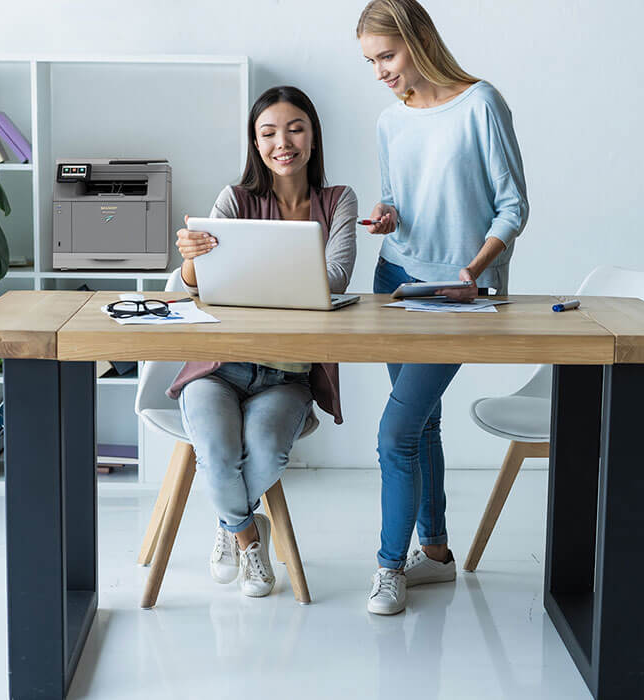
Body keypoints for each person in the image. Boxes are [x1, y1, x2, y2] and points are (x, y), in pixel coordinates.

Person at [357, 0, 529, 614]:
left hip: (461, 296)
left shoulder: (481, 102)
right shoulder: (390, 119)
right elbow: (399, 198)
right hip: (396, 282)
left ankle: (387, 567)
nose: (379, 71)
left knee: (396, 432)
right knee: (421, 421)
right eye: (370, 62)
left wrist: (474, 273)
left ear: (418, 40)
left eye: (386, 56)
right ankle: (434, 554)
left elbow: (513, 208)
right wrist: (387, 216)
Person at [166, 86, 357, 598]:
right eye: (268, 132)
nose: (282, 142)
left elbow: (336, 278)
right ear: (255, 143)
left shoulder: (338, 200)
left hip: (287, 374)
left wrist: (245, 271)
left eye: (295, 128)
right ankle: (248, 535)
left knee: (267, 454)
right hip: (219, 366)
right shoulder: (235, 199)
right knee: (218, 454)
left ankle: (229, 521)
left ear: (313, 136)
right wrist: (191, 258)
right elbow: (189, 287)